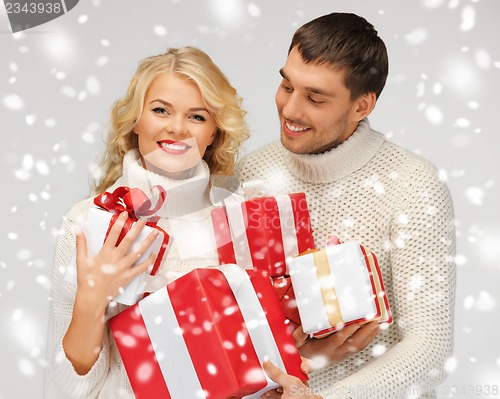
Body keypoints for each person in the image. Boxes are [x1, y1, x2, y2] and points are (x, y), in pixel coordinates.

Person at [236, 13, 456, 399]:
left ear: (362, 106)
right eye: (287, 85)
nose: (290, 109)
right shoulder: (253, 172)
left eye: (315, 98)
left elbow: (430, 344)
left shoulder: (412, 184)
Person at [44, 46, 249, 398]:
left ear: (214, 133)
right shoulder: (87, 221)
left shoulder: (240, 219)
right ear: (136, 119)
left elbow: (254, 360)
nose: (177, 128)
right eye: (160, 110)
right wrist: (93, 300)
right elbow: (69, 386)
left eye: (197, 117)